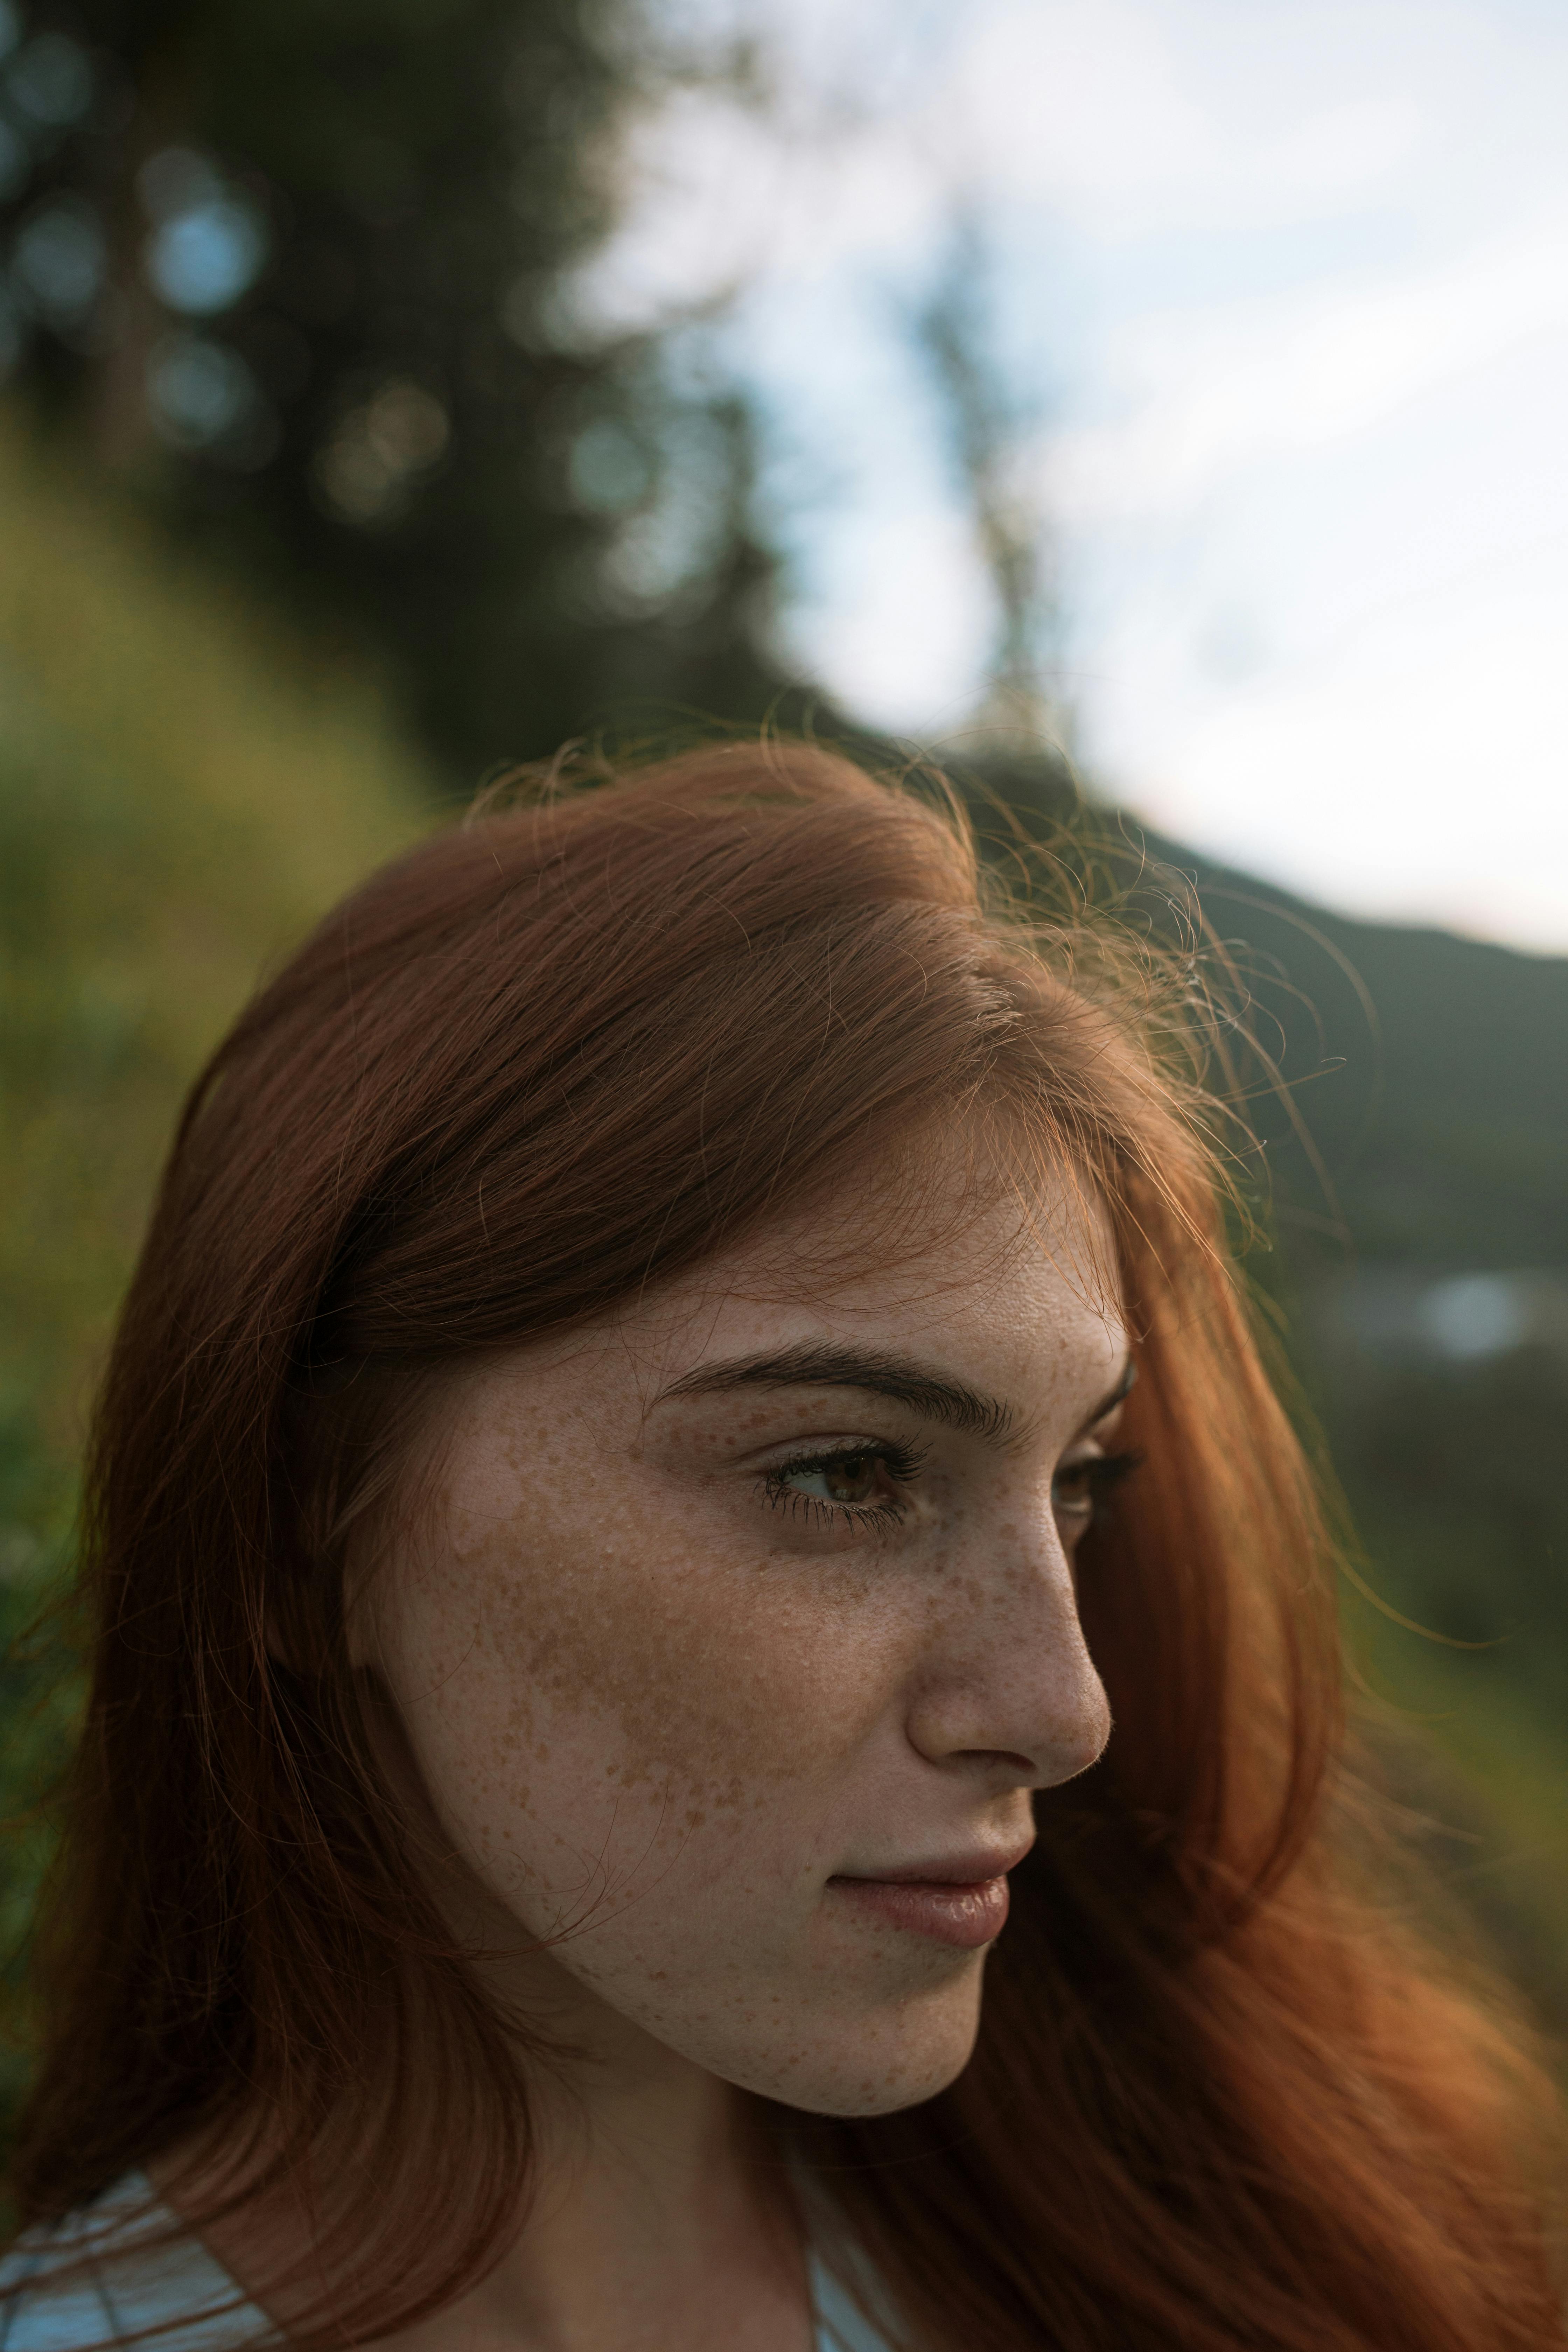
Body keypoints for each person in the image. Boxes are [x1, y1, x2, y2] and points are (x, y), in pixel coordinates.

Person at [1, 742, 1561, 2352]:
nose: (1065, 1707)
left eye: (1081, 1484)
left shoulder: (1186, 2255)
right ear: (297, 1537)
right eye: (845, 1474)